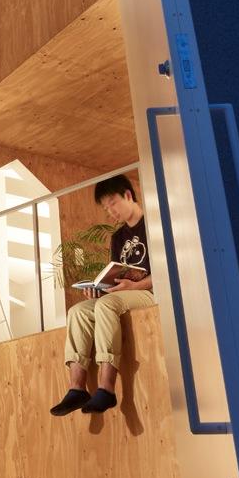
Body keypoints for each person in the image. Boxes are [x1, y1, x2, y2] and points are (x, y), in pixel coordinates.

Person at [50, 173, 155, 416]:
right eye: (106, 209)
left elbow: (169, 269)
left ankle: (107, 389)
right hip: (123, 295)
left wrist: (135, 286)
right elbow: (117, 275)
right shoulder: (118, 237)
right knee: (77, 312)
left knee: (106, 305)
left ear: (128, 195)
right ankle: (77, 388)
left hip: (150, 292)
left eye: (113, 204)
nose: (111, 212)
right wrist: (99, 289)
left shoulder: (154, 224)